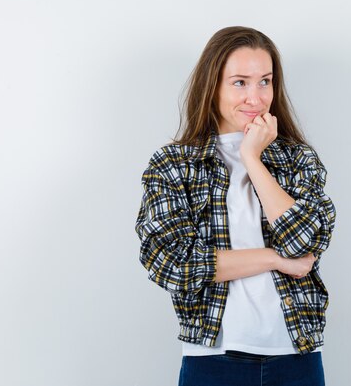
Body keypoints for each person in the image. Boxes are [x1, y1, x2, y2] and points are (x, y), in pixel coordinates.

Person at [134, 26, 337, 386]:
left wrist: (253, 160)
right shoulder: (174, 164)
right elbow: (173, 266)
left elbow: (304, 242)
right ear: (212, 85)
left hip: (296, 357)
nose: (255, 98)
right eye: (240, 82)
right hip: (213, 361)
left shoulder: (297, 160)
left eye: (265, 81)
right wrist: (274, 259)